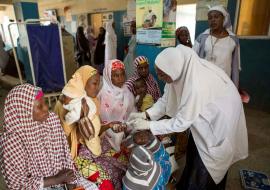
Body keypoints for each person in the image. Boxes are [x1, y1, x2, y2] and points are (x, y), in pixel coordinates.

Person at [128, 46, 248, 189]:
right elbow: (166, 100)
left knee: (208, 165)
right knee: (194, 151)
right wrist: (146, 114)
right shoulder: (180, 70)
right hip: (205, 114)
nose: (160, 78)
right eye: (158, 73)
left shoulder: (196, 84)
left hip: (219, 120)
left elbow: (181, 123)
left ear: (173, 70)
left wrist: (149, 126)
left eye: (162, 75)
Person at [0, 84, 98, 190]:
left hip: (61, 179)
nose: (46, 108)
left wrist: (70, 182)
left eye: (45, 102)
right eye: (39, 106)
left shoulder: (51, 120)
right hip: (36, 186)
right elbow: (17, 185)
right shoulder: (11, 142)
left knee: (92, 187)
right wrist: (56, 179)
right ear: (24, 112)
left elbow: (64, 157)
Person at [193, 5, 241, 87]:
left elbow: (235, 67)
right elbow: (192, 60)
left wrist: (235, 87)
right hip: (204, 81)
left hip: (224, 82)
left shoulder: (233, 39)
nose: (213, 20)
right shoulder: (202, 37)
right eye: (210, 18)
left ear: (224, 19)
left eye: (216, 17)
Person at [98, 59, 135, 152]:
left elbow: (131, 114)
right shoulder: (103, 96)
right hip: (106, 133)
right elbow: (102, 120)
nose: (121, 78)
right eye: (116, 75)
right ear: (109, 77)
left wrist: (127, 126)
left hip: (124, 130)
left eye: (122, 74)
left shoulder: (127, 93)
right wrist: (113, 128)